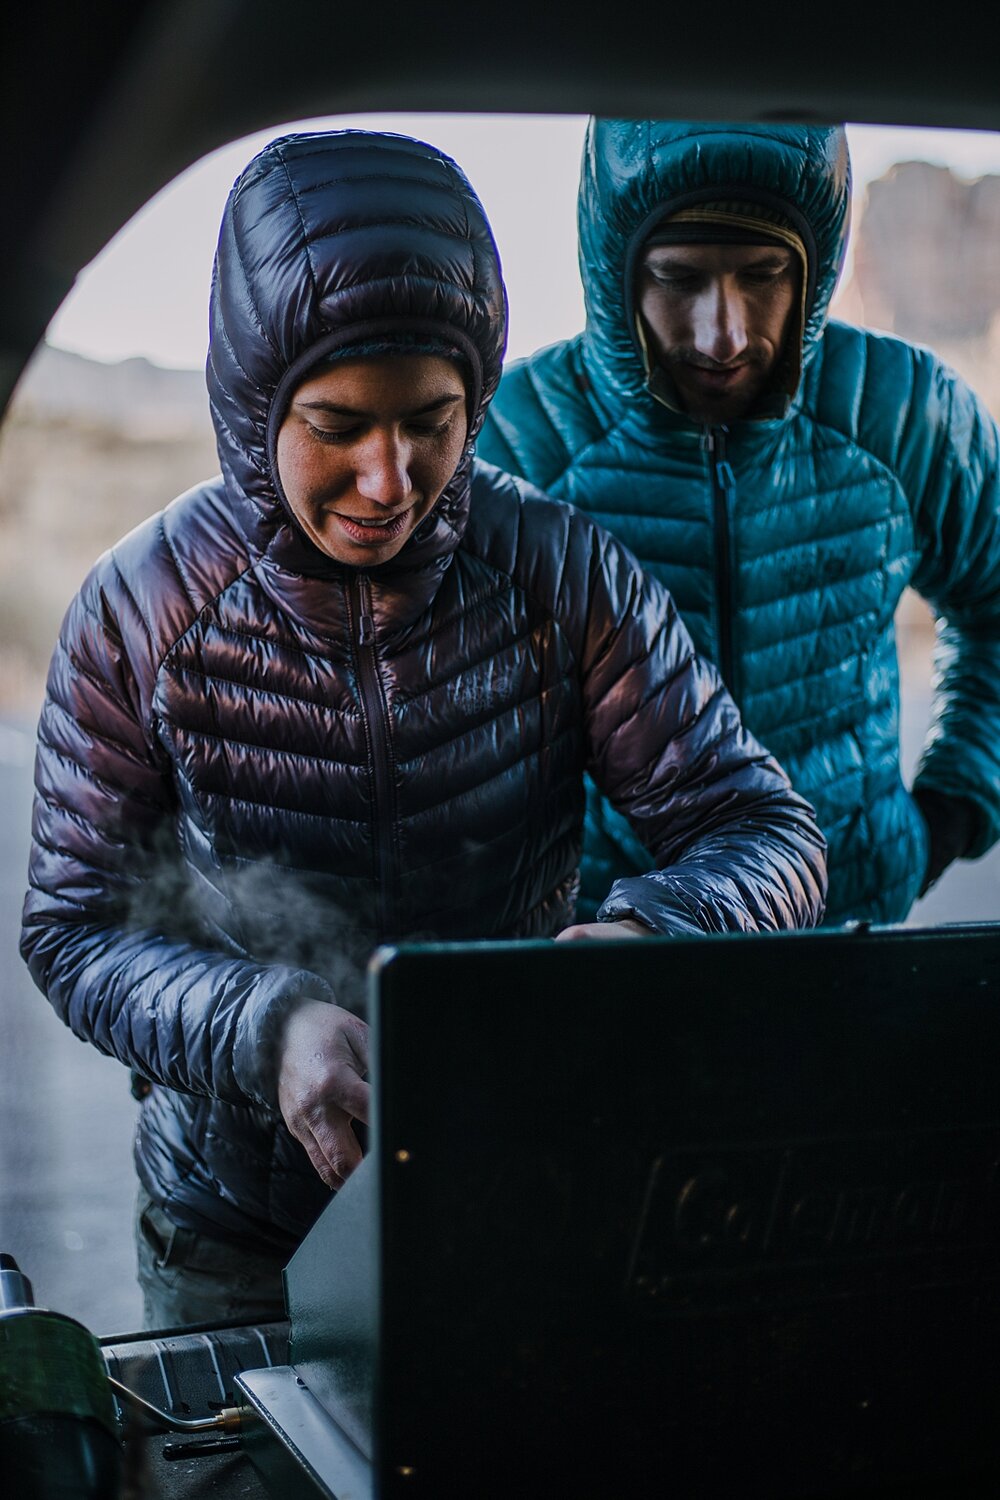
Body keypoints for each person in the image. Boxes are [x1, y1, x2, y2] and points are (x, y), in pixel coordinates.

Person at [20, 129, 826, 1330]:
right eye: (338, 424)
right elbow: (73, 929)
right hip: (232, 1230)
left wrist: (648, 935)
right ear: (253, 408)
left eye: (432, 421)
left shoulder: (563, 575)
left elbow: (765, 829)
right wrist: (265, 1028)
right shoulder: (140, 612)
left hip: (515, 1183)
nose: (392, 479)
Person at [477, 120, 1000, 927]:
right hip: (607, 943)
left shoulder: (905, 412)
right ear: (616, 271)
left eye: (762, 276)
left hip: (846, 928)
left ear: (814, 269)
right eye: (679, 278)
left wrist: (947, 813)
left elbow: (995, 608)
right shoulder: (516, 438)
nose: (723, 332)